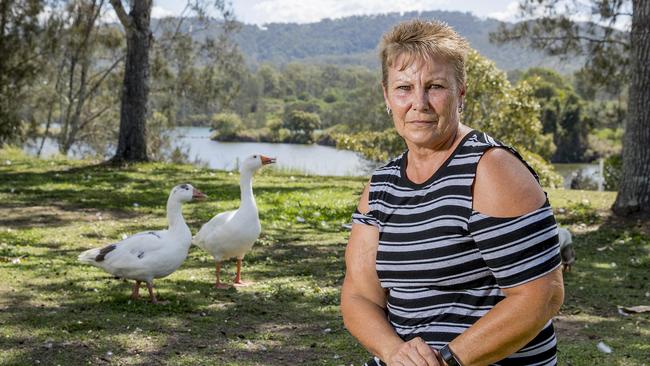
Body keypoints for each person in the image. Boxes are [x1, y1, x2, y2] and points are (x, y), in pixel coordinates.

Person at [340, 19, 564, 366]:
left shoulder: (491, 170)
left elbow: (541, 296)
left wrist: (447, 361)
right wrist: (393, 352)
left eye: (435, 86)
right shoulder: (381, 187)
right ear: (386, 96)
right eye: (403, 88)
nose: (419, 103)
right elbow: (358, 296)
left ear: (461, 92)